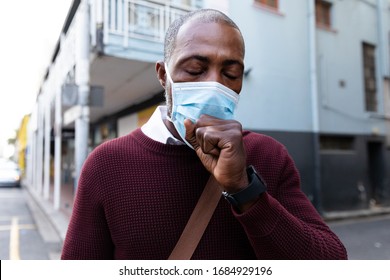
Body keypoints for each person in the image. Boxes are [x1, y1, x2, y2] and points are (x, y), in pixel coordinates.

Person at [61, 9, 347, 260]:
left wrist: (244, 189)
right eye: (195, 69)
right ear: (163, 75)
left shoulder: (269, 155)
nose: (214, 84)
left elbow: (330, 261)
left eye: (231, 74)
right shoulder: (106, 165)